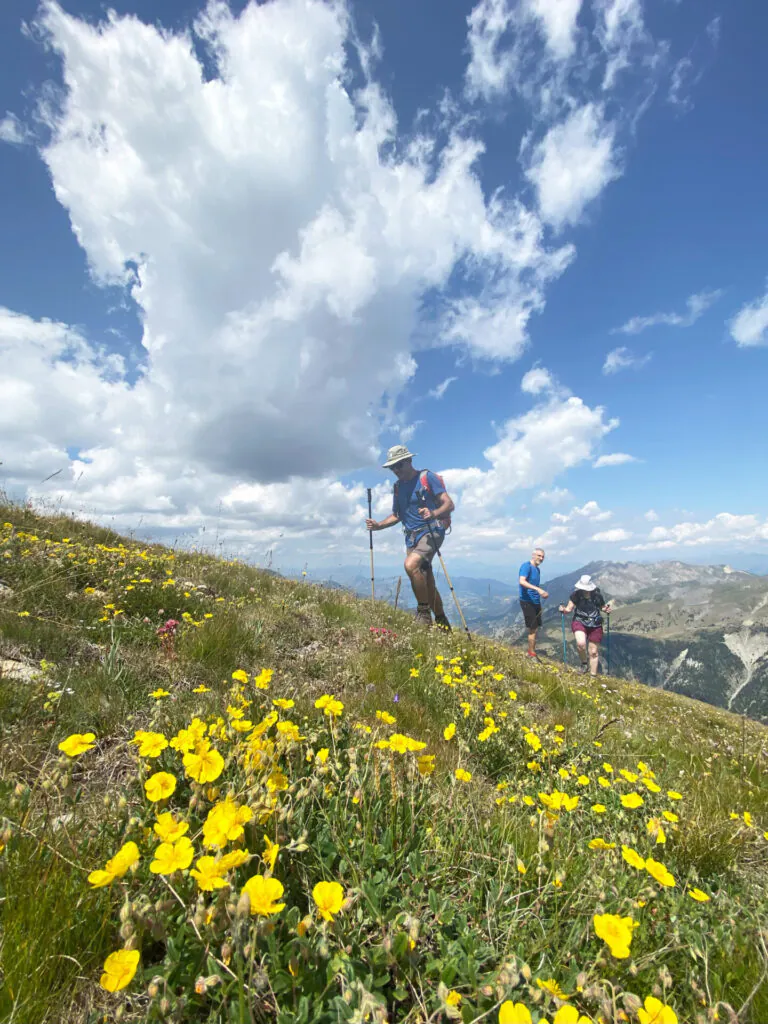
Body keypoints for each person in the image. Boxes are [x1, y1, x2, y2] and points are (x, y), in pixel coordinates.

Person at [366, 444, 455, 628]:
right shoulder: (398, 487)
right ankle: (442, 622)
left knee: (411, 565)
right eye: (392, 467)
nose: (395, 470)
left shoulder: (426, 477)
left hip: (432, 531)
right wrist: (379, 525)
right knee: (426, 581)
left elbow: (449, 504)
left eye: (399, 465)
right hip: (411, 537)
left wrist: (433, 513)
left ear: (409, 461)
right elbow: (398, 515)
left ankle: (423, 615)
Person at [559, 574, 612, 676]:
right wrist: (564, 610)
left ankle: (593, 676)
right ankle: (584, 664)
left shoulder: (597, 596)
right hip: (579, 621)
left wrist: (606, 609)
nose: (585, 590)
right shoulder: (576, 595)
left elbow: (602, 607)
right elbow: (569, 609)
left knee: (593, 651)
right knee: (581, 644)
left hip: (595, 624)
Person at [519, 548, 548, 661]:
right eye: (539, 556)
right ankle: (531, 653)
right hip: (527, 600)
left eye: (542, 557)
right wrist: (539, 589)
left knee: (535, 628)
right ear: (533, 555)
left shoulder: (537, 569)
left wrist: (540, 593)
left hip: (535, 601)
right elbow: (522, 581)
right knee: (533, 627)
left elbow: (532, 585)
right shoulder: (526, 566)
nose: (541, 558)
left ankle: (532, 651)